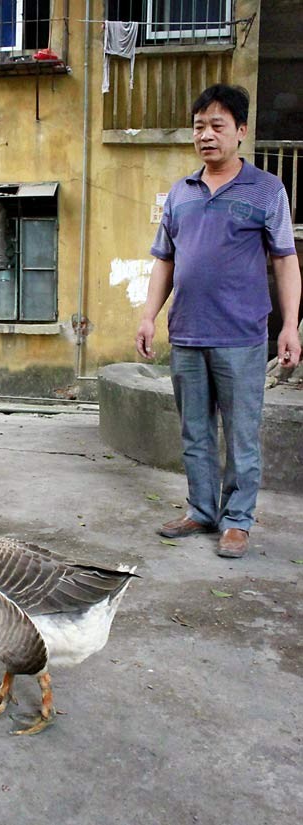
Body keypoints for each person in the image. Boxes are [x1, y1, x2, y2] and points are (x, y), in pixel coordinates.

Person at [135, 84, 302, 559]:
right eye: (199, 126)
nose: (206, 135)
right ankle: (202, 510)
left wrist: (290, 325)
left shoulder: (268, 190)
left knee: (242, 431)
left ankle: (237, 520)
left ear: (241, 132)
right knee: (195, 431)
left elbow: (286, 261)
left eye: (217, 126)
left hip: (241, 336)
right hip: (186, 332)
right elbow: (164, 262)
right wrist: (149, 316)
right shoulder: (180, 196)